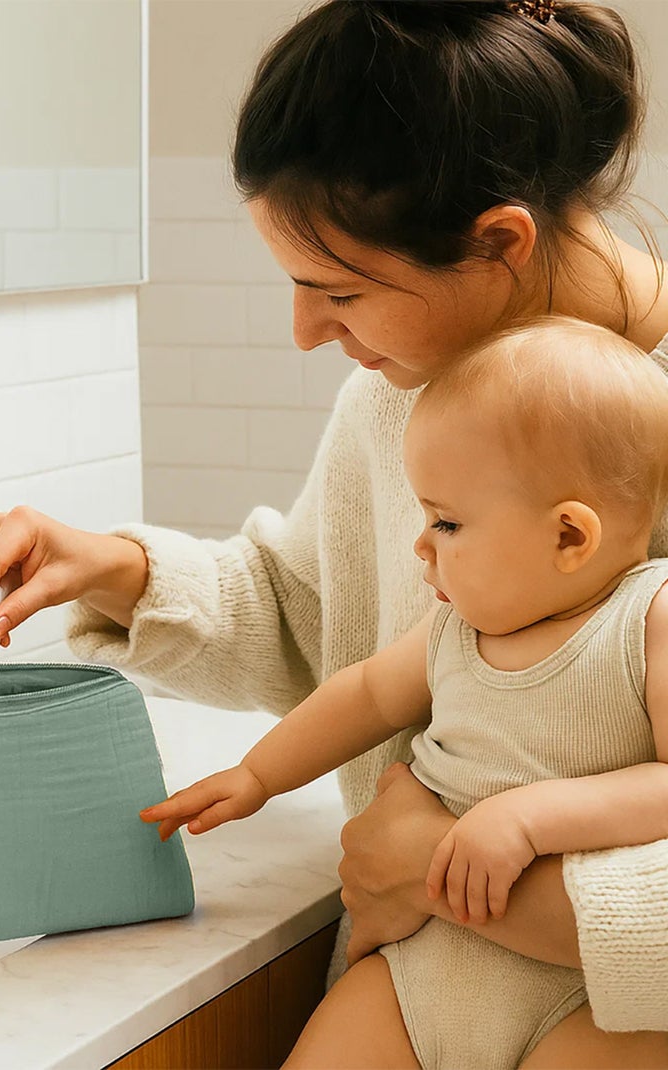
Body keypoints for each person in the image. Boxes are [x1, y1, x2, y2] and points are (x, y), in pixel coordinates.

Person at [0, 0, 668, 1063]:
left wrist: (437, 863)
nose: (304, 333)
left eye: (338, 290)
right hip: (421, 988)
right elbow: (318, 622)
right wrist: (119, 571)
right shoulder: (404, 399)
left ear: (498, 241)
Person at [139, 315, 668, 1068]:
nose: (420, 545)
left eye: (447, 521)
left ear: (569, 538)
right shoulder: (454, 627)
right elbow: (363, 695)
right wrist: (258, 774)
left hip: (585, 998)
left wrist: (527, 819)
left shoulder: (648, 619)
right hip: (421, 968)